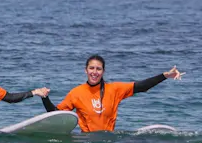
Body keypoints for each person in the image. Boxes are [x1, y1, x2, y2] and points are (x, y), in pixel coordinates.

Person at [41, 54, 183, 132]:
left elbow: (141, 86)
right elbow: (55, 114)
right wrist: (45, 98)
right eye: (91, 68)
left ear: (103, 71)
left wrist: (164, 75)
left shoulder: (114, 89)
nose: (94, 72)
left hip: (108, 142)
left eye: (98, 69)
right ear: (86, 70)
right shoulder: (76, 93)